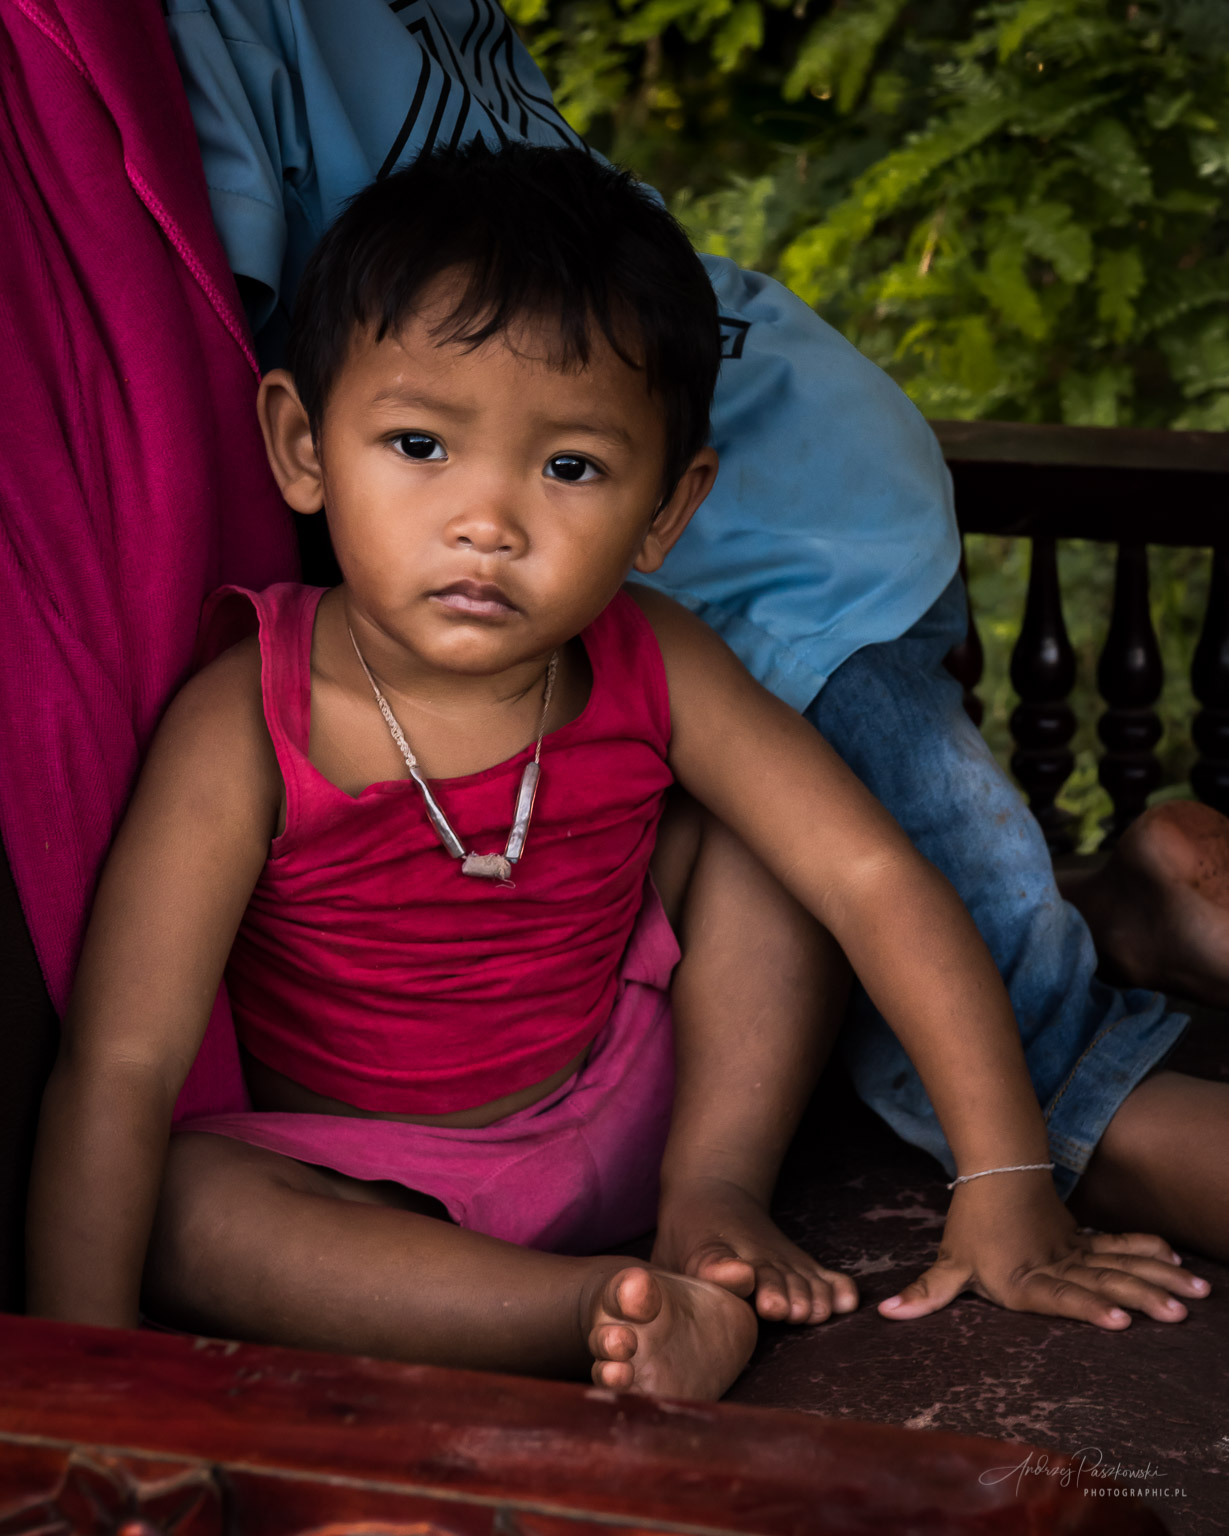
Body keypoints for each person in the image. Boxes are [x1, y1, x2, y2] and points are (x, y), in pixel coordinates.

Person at [27, 143, 1217, 1401]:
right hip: (367, 1179)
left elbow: (872, 879)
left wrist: (1006, 1187)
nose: (487, 520)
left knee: (784, 836)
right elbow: (121, 1065)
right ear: (302, 446)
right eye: (421, 442)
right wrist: (83, 1401)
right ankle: (601, 1310)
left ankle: (711, 1212)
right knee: (184, 1203)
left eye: (571, 467)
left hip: (645, 1117)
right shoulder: (244, 722)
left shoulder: (656, 660)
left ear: (667, 508)